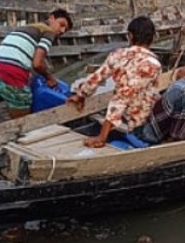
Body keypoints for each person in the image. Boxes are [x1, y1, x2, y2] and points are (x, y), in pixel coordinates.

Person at [67, 16, 163, 148]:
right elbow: (123, 97)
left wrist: (80, 95)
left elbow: (98, 76)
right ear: (153, 38)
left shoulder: (118, 54)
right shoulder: (153, 65)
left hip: (122, 117)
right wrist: (102, 137)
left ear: (130, 36)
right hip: (138, 126)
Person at [0, 9, 73, 128]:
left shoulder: (26, 28)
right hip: (11, 73)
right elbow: (37, 64)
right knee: (23, 123)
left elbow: (20, 54)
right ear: (51, 18)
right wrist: (50, 78)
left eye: (65, 30)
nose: (62, 30)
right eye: (61, 24)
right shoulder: (48, 32)